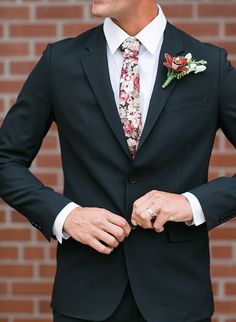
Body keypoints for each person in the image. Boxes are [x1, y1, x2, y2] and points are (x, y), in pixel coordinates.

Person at [0, 0, 235, 321]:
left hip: (178, 297)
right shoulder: (61, 62)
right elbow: (5, 159)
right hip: (85, 296)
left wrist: (192, 203)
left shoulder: (209, 64)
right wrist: (65, 215)